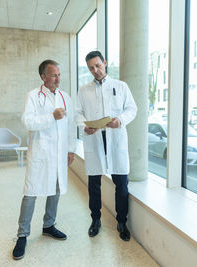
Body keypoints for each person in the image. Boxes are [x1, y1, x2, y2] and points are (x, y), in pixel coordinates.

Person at [12, 60, 76, 260]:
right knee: (31, 192)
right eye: (53, 75)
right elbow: (27, 121)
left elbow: (71, 125)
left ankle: (49, 225)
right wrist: (51, 116)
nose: (58, 78)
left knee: (55, 190)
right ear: (43, 77)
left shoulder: (65, 98)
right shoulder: (33, 96)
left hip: (59, 154)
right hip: (40, 153)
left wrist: (71, 150)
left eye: (59, 74)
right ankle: (22, 235)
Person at [75, 51, 137, 241]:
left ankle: (121, 222)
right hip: (94, 140)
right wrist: (84, 125)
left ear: (105, 63)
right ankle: (95, 220)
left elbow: (132, 109)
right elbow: (77, 114)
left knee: (121, 184)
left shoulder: (121, 86)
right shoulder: (83, 90)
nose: (95, 70)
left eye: (98, 66)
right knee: (94, 185)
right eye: (91, 68)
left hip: (115, 139)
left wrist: (120, 120)